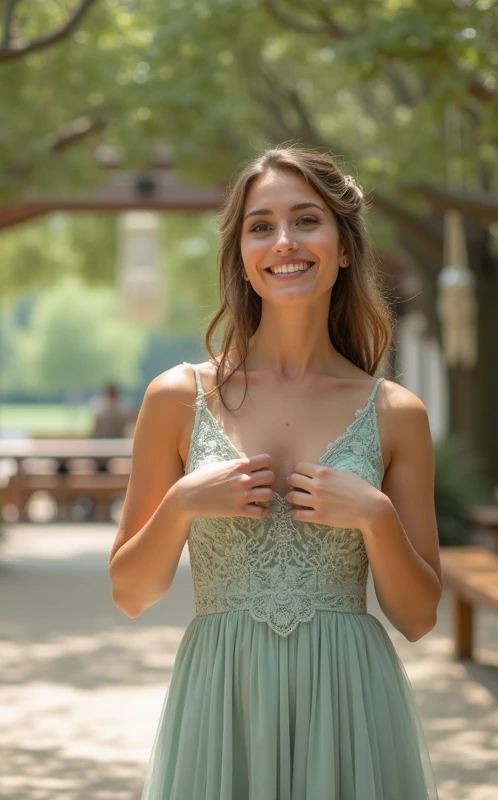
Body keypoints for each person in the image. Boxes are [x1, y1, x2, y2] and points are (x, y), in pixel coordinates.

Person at [108, 146, 442, 799]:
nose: (284, 241)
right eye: (261, 226)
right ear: (242, 258)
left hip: (350, 707)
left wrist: (376, 517)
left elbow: (419, 616)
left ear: (345, 247)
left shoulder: (397, 413)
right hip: (221, 705)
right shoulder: (176, 397)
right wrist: (181, 502)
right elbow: (130, 593)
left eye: (306, 220)